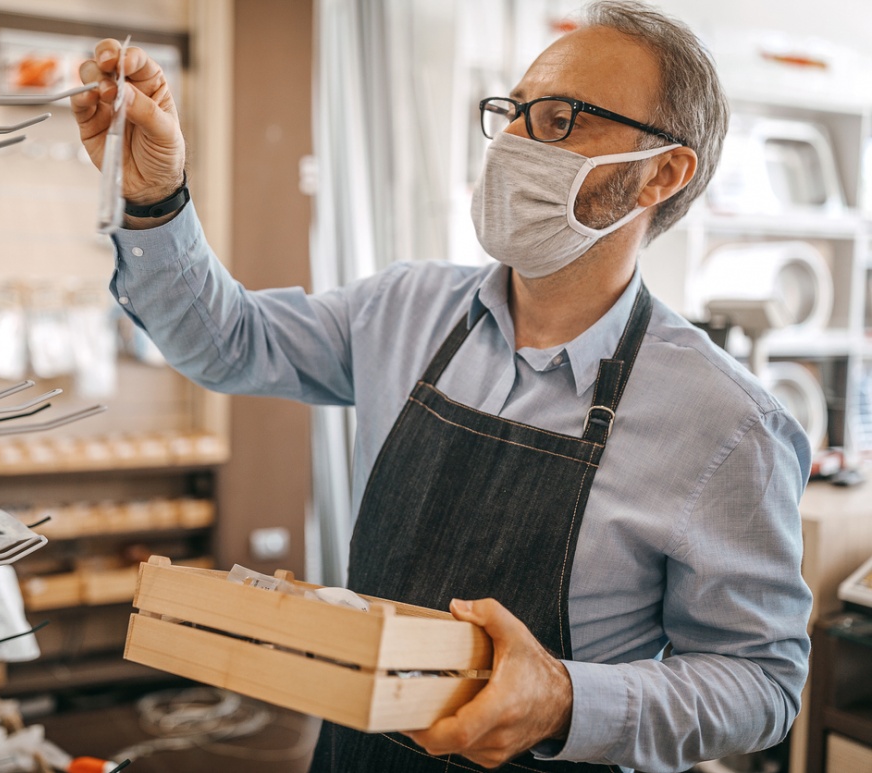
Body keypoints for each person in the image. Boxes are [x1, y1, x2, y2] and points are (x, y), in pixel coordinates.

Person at [70, 2, 812, 771]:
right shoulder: (405, 309)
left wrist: (564, 698)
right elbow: (227, 343)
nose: (517, 142)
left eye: (562, 120)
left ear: (663, 171)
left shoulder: (728, 424)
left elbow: (762, 682)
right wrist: (155, 200)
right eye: (514, 112)